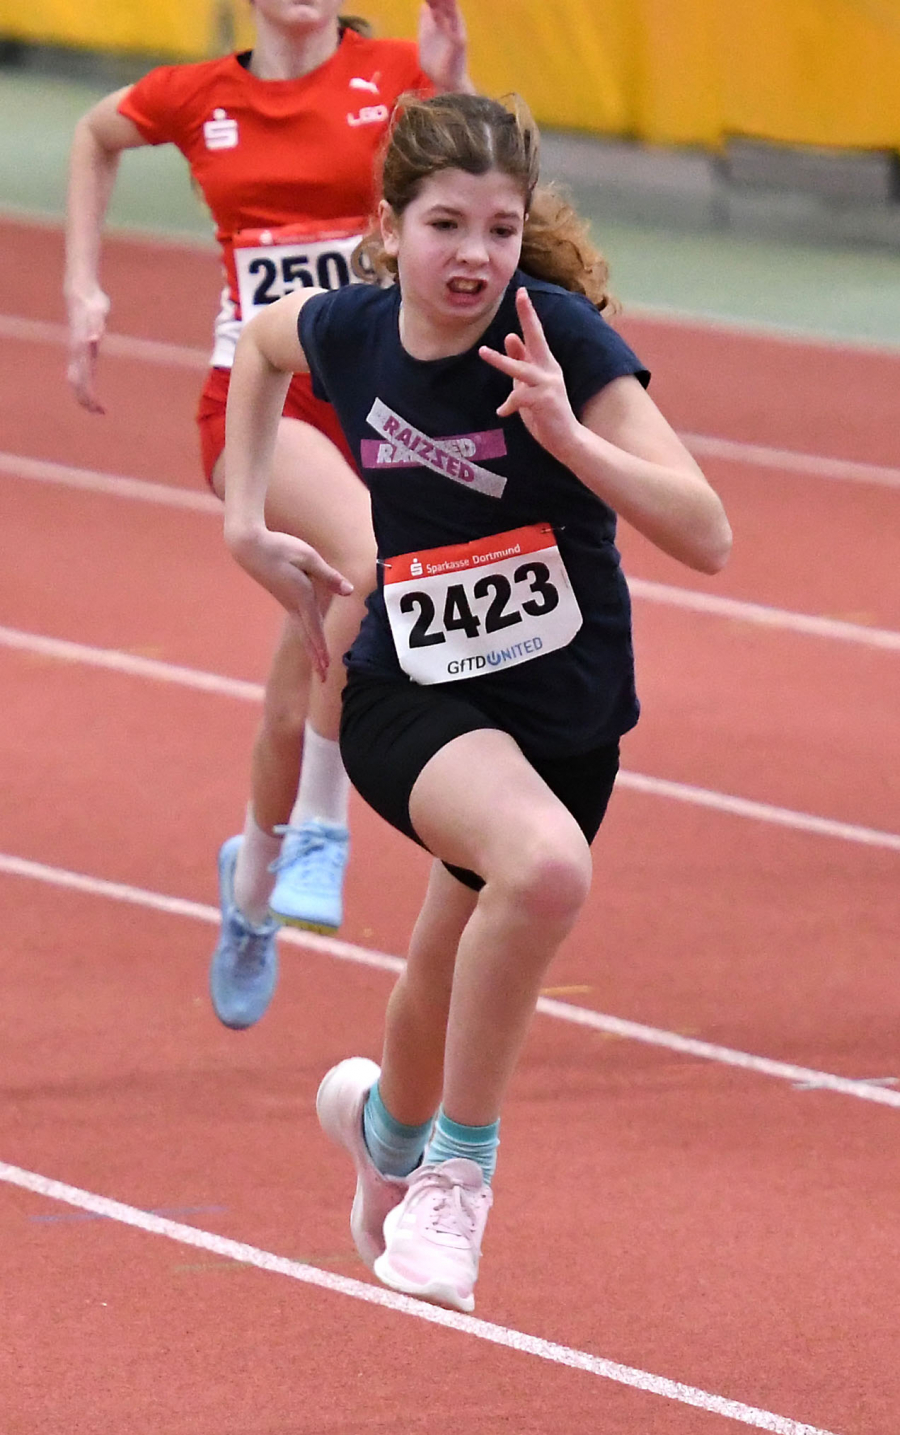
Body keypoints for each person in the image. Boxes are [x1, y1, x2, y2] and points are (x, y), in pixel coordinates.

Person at [222, 91, 732, 1311]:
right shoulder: (352, 328)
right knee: (545, 871)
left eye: (500, 230)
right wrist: (246, 521)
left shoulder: (555, 338)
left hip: (567, 718)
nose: (476, 257)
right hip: (411, 690)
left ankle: (384, 1138)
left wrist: (567, 433)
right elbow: (260, 343)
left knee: (453, 952)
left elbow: (706, 533)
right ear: (389, 229)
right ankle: (459, 1176)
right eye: (447, 226)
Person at [64, 0, 471, 1031]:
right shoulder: (199, 95)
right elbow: (94, 134)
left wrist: (452, 82)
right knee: (375, 564)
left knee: (304, 683)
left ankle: (251, 879)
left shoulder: (396, 70)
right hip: (254, 400)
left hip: (376, 397)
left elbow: (471, 187)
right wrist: (83, 288)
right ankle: (325, 830)